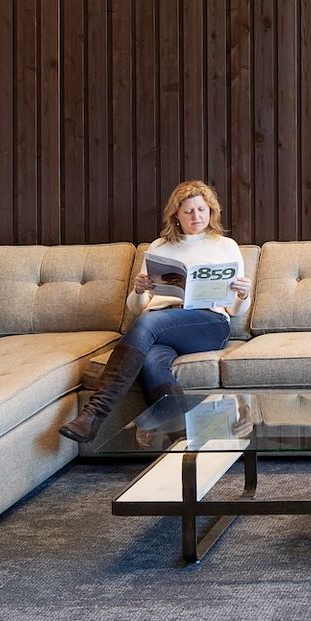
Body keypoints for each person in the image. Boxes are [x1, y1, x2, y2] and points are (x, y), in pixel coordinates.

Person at [58, 180, 253, 442]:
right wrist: (139, 291)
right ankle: (185, 438)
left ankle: (94, 414)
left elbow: (235, 310)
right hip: (161, 323)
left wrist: (243, 294)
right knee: (151, 361)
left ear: (211, 211)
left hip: (208, 323)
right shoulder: (159, 247)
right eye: (188, 211)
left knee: (150, 323)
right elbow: (139, 308)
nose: (196, 216)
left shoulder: (225, 245)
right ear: (176, 215)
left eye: (202, 210)